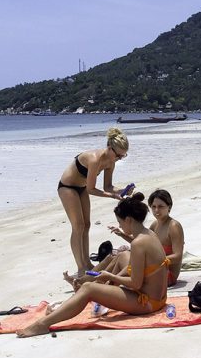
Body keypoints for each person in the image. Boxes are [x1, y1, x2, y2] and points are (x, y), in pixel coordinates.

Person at [18, 192, 170, 338]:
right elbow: (139, 269)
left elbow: (136, 283)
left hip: (148, 303)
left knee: (88, 288)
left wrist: (110, 276)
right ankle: (100, 293)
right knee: (122, 255)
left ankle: (43, 324)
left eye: (120, 222)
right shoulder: (149, 234)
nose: (120, 226)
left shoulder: (138, 243)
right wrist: (110, 279)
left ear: (129, 220)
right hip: (159, 297)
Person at [57, 127, 132, 278]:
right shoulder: (94, 159)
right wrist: (113, 196)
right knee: (78, 226)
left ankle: (87, 263)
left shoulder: (111, 162)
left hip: (82, 187)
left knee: (87, 225)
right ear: (109, 148)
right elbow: (91, 189)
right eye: (118, 155)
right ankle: (80, 267)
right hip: (67, 187)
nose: (119, 158)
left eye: (123, 156)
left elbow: (108, 187)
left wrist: (122, 190)